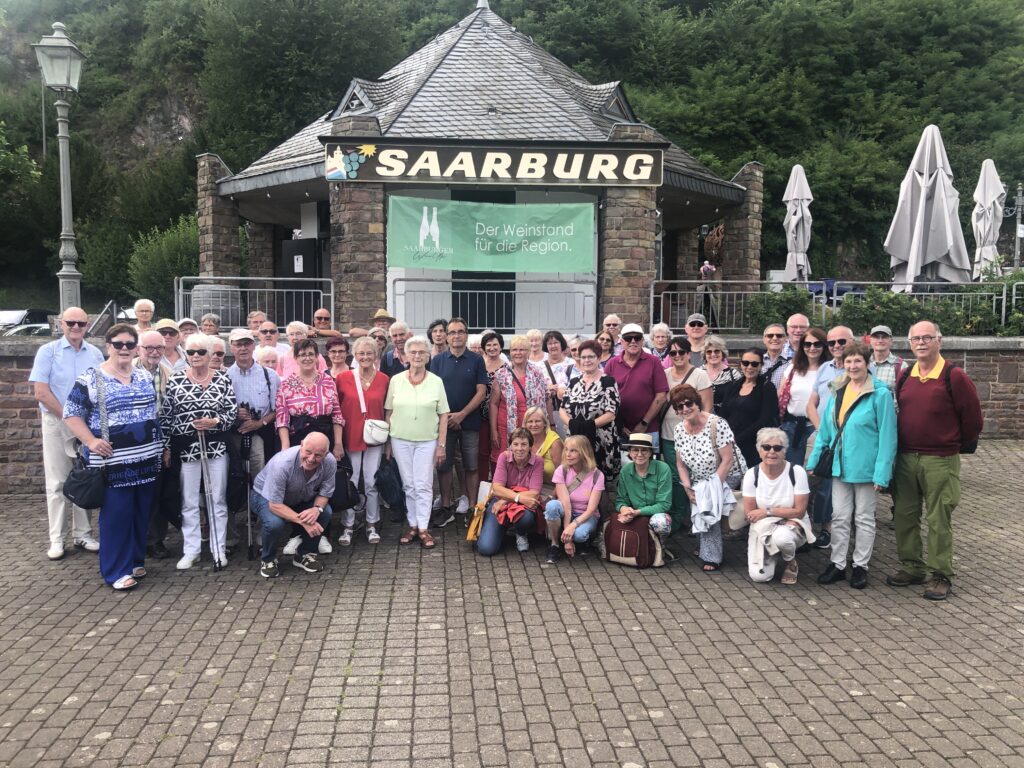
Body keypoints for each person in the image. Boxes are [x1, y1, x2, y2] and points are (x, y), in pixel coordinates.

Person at [886, 320, 983, 601]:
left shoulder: (954, 376)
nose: (921, 342)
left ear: (939, 341)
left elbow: (973, 421)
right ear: (909, 343)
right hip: (906, 457)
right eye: (915, 338)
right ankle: (912, 567)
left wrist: (950, 443)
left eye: (927, 337)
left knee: (939, 518)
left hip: (940, 459)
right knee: (904, 515)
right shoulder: (906, 375)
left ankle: (940, 575)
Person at [63, 324, 162, 590]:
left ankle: (135, 560)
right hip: (112, 462)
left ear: (136, 348)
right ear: (108, 346)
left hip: (146, 459)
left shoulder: (143, 376)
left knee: (141, 513)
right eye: (118, 344)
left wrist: (160, 447)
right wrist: (91, 441)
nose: (124, 349)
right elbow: (71, 413)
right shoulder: (91, 377)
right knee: (117, 515)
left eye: (130, 344)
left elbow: (152, 413)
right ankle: (116, 570)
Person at [808, 341, 897, 590]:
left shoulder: (880, 394)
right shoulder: (838, 390)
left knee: (864, 518)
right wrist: (814, 460)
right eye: (848, 361)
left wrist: (882, 473)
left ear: (867, 363)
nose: (853, 366)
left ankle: (860, 565)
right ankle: (837, 564)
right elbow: (826, 431)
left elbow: (888, 436)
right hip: (839, 466)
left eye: (858, 361)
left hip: (866, 469)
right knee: (839, 517)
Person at [29, 306, 105, 560]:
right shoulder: (48, 352)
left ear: (87, 326)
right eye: (71, 322)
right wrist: (69, 418)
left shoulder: (95, 353)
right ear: (61, 324)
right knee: (58, 481)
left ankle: (83, 534)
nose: (75, 327)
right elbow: (41, 392)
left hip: (87, 424)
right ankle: (57, 539)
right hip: (57, 421)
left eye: (81, 323)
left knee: (85, 477)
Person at [160, 333, 238, 570]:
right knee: (189, 499)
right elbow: (167, 416)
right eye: (191, 352)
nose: (195, 356)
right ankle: (191, 550)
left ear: (209, 354)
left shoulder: (222, 379)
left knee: (217, 499)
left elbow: (231, 413)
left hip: (216, 446)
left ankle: (218, 548)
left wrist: (215, 421)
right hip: (187, 448)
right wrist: (167, 445)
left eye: (201, 352)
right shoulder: (176, 380)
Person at [386, 335, 450, 549]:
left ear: (428, 355)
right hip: (400, 439)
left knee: (423, 484)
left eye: (421, 352)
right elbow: (389, 411)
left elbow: (443, 415)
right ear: (405, 355)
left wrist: (441, 445)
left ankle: (423, 527)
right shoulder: (396, 380)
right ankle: (412, 525)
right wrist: (388, 443)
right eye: (412, 352)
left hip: (427, 440)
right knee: (408, 484)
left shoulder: (436, 381)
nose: (417, 356)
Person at [672, 383, 738, 572]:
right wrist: (687, 489)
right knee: (698, 499)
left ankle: (712, 557)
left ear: (697, 403)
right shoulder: (679, 430)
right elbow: (680, 465)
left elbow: (728, 460)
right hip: (699, 477)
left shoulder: (717, 423)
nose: (685, 409)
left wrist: (712, 489)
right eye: (680, 406)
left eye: (689, 403)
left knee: (708, 507)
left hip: (727, 473)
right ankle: (704, 546)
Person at [251, 432, 335, 577]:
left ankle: (304, 554)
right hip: (266, 497)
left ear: (326, 454)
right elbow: (275, 505)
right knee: (274, 523)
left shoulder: (330, 461)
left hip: (299, 497)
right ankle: (268, 559)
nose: (311, 459)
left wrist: (316, 509)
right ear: (301, 445)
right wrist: (304, 522)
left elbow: (325, 493)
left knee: (325, 512)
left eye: (318, 455)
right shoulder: (282, 463)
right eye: (308, 452)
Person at [429, 317, 487, 526]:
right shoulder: (437, 361)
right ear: (446, 336)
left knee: (471, 466)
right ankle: (446, 507)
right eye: (452, 332)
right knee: (444, 466)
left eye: (460, 331)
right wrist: (446, 416)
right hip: (445, 423)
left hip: (470, 421)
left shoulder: (476, 360)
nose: (456, 336)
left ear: (466, 335)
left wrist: (462, 414)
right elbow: (432, 391)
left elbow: (481, 391)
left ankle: (472, 508)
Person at [226, 327, 280, 550]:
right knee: (229, 480)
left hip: (259, 433)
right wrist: (234, 413)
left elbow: (277, 409)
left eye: (247, 343)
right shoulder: (223, 376)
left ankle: (262, 530)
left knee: (261, 481)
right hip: (233, 434)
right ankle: (229, 536)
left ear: (253, 346)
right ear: (231, 347)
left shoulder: (270, 375)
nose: (243, 348)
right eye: (238, 344)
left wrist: (260, 422)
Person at [334, 336, 389, 546]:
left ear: (376, 355)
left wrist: (389, 443)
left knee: (371, 481)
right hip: (351, 435)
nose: (365, 357)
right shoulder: (343, 378)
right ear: (355, 356)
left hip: (375, 438)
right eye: (361, 353)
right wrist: (338, 441)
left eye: (369, 353)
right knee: (351, 481)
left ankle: (371, 523)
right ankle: (348, 525)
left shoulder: (384, 379)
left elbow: (388, 410)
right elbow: (336, 410)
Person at [741, 427, 813, 585]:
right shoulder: (751, 474)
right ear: (759, 450)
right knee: (760, 577)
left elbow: (799, 512)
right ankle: (773, 551)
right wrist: (782, 513)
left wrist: (767, 512)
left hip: (792, 524)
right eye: (766, 447)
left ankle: (790, 560)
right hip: (763, 527)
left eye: (777, 448)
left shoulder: (797, 472)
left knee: (782, 538)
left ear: (784, 451)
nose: (772, 452)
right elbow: (750, 513)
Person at [805, 325, 855, 549]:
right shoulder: (825, 367)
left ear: (852, 342)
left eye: (841, 341)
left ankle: (829, 530)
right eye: (832, 342)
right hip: (820, 436)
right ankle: (803, 529)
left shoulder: (861, 368)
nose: (836, 346)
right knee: (807, 482)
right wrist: (823, 430)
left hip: (848, 440)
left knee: (836, 488)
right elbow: (811, 404)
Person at [661, 336, 712, 525]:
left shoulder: (700, 375)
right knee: (675, 476)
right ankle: (678, 516)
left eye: (681, 351)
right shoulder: (664, 374)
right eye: (673, 352)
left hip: (693, 435)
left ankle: (694, 515)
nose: (677, 356)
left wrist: (701, 432)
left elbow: (707, 407)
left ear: (689, 354)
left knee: (694, 474)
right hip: (668, 434)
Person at [135, 330, 176, 558]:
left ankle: (155, 540)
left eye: (158, 348)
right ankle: (134, 539)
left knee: (156, 493)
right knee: (133, 494)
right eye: (148, 347)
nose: (154, 352)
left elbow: (171, 416)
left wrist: (167, 447)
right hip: (132, 442)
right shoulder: (126, 371)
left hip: (158, 442)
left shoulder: (169, 374)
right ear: (138, 349)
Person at [559, 339, 621, 483]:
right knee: (575, 480)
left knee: (599, 482)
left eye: (591, 357)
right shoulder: (574, 382)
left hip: (601, 440)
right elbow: (562, 408)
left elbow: (611, 413)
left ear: (598, 358)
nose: (587, 360)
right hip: (575, 439)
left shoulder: (608, 382)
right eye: (583, 357)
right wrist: (572, 424)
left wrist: (589, 426)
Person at [476, 427, 545, 556]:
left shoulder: (538, 461)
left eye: (524, 444)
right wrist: (516, 498)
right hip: (501, 503)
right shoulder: (504, 457)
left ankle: (521, 531)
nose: (519, 448)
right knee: (486, 549)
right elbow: (497, 488)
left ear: (530, 446)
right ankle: (502, 529)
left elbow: (534, 493)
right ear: (511, 446)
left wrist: (505, 500)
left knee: (525, 518)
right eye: (516, 444)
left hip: (521, 505)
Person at [276, 338, 344, 458]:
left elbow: (337, 415)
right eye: (302, 355)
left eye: (311, 354)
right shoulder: (286, 385)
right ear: (296, 358)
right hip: (297, 440)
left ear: (317, 357)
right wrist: (285, 447)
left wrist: (338, 444)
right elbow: (282, 419)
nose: (307, 358)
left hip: (325, 438)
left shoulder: (328, 381)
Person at [605, 323, 669, 449]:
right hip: (619, 430)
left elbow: (661, 396)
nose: (633, 341)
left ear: (643, 341)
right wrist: (619, 424)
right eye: (628, 338)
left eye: (637, 338)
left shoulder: (654, 362)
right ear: (621, 341)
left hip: (649, 429)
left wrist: (644, 423)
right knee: (621, 462)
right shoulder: (612, 364)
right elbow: (604, 396)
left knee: (648, 462)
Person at [490, 335, 551, 468]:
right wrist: (493, 430)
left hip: (533, 427)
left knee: (531, 461)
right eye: (514, 350)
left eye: (522, 349)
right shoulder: (501, 374)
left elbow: (547, 398)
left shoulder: (537, 373)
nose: (518, 353)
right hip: (506, 428)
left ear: (528, 352)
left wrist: (551, 424)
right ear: (510, 352)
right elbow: (493, 404)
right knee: (504, 462)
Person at [544, 435, 604, 560]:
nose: (568, 454)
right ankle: (555, 544)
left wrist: (572, 526)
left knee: (579, 535)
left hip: (586, 515)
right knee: (551, 506)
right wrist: (568, 541)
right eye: (566, 449)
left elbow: (591, 509)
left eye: (573, 451)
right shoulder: (562, 470)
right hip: (567, 511)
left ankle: (582, 540)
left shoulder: (597, 475)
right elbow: (566, 505)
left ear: (584, 453)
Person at [719, 348, 779, 470]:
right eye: (746, 363)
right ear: (741, 364)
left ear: (761, 365)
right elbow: (723, 414)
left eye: (754, 364)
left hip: (754, 445)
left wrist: (738, 439)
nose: (749, 367)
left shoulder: (767, 387)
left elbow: (765, 420)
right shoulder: (733, 386)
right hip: (729, 444)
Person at [614, 433, 675, 549]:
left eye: (644, 450)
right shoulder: (625, 470)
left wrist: (637, 512)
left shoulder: (663, 468)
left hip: (656, 514)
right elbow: (621, 500)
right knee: (619, 519)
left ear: (650, 452)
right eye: (635, 450)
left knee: (661, 522)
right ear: (629, 452)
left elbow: (664, 504)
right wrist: (624, 510)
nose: (639, 454)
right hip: (634, 514)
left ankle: (659, 548)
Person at [777, 326, 825, 466]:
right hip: (791, 427)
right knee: (791, 470)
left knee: (815, 471)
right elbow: (781, 394)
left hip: (817, 427)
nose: (812, 348)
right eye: (807, 344)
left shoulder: (828, 369)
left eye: (817, 344)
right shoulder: (793, 368)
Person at [478, 330, 506, 478]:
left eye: (495, 345)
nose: (492, 348)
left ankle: (497, 483)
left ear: (501, 347)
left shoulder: (507, 367)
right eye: (488, 345)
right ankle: (482, 485)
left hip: (500, 414)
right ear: (483, 347)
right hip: (480, 414)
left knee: (499, 451)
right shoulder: (478, 364)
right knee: (482, 452)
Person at [700, 335, 742, 413]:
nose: (713, 354)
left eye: (717, 351)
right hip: (703, 417)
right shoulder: (698, 373)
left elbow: (740, 399)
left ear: (722, 353)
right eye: (709, 352)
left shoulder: (733, 374)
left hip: (727, 417)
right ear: (704, 355)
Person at [523, 405, 562, 487]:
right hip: (527, 486)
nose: (534, 425)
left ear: (544, 423)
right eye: (530, 421)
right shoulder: (522, 441)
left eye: (537, 421)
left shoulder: (555, 443)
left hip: (551, 488)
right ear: (525, 424)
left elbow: (563, 474)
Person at [867, 324, 905, 391]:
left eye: (884, 337)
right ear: (870, 341)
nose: (880, 340)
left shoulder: (901, 366)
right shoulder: (864, 363)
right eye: (876, 337)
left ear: (891, 341)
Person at [761, 323, 791, 389]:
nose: (774, 338)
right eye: (770, 335)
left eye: (779, 336)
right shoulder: (757, 361)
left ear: (785, 339)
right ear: (764, 339)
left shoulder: (792, 363)